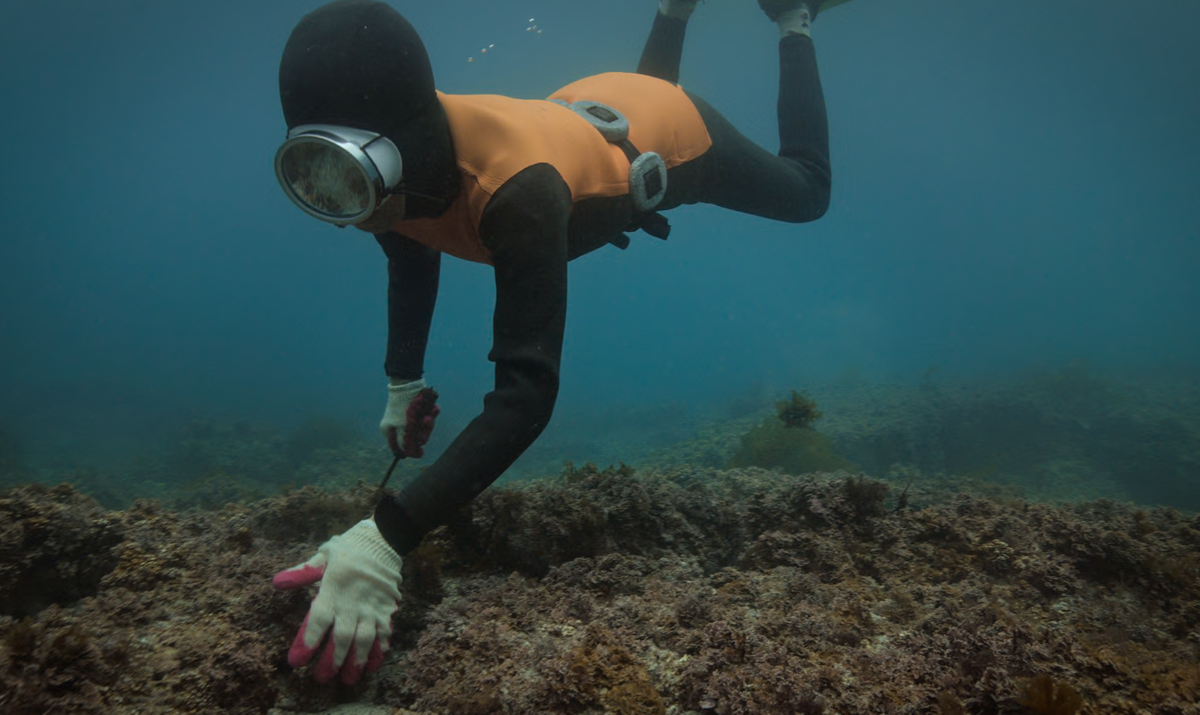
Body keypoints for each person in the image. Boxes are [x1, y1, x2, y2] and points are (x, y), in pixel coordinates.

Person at [270, 0, 847, 685]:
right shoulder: (393, 176)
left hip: (665, 128)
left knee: (808, 191)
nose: (340, 211)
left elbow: (526, 396)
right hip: (584, 109)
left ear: (389, 152)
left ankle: (793, 20)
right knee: (608, 128)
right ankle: (676, 9)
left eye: (342, 178)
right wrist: (403, 384)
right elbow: (410, 253)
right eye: (313, 177)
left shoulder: (517, 195)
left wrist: (386, 536)